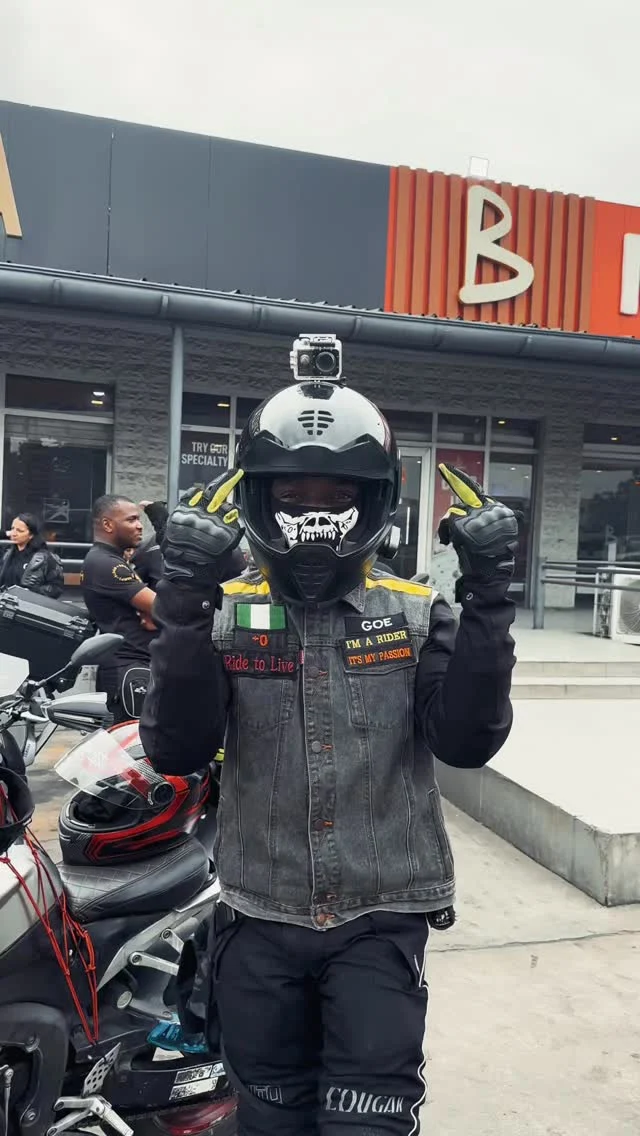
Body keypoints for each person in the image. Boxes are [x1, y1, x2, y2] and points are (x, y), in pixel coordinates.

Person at [140, 353, 518, 1136]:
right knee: (267, 1118)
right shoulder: (222, 612)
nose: (314, 513)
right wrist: (182, 602)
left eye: (336, 495)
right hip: (258, 915)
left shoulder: (417, 613)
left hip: (379, 919)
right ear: (258, 497)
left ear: (373, 501)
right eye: (292, 495)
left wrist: (489, 597)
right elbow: (177, 748)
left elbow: (467, 742)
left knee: (367, 1123)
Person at [81, 496, 157, 723]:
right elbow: (165, 607)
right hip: (128, 669)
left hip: (131, 666)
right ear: (107, 524)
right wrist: (153, 610)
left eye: (139, 519)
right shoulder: (107, 564)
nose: (139, 526)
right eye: (131, 520)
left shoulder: (108, 559)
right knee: (130, 741)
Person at [0, 513, 64, 598]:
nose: (14, 533)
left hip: (29, 603)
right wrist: (5, 533)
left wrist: (33, 592)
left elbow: (56, 588)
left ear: (31, 535)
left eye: (20, 531)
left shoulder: (45, 558)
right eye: (12, 529)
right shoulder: (6, 554)